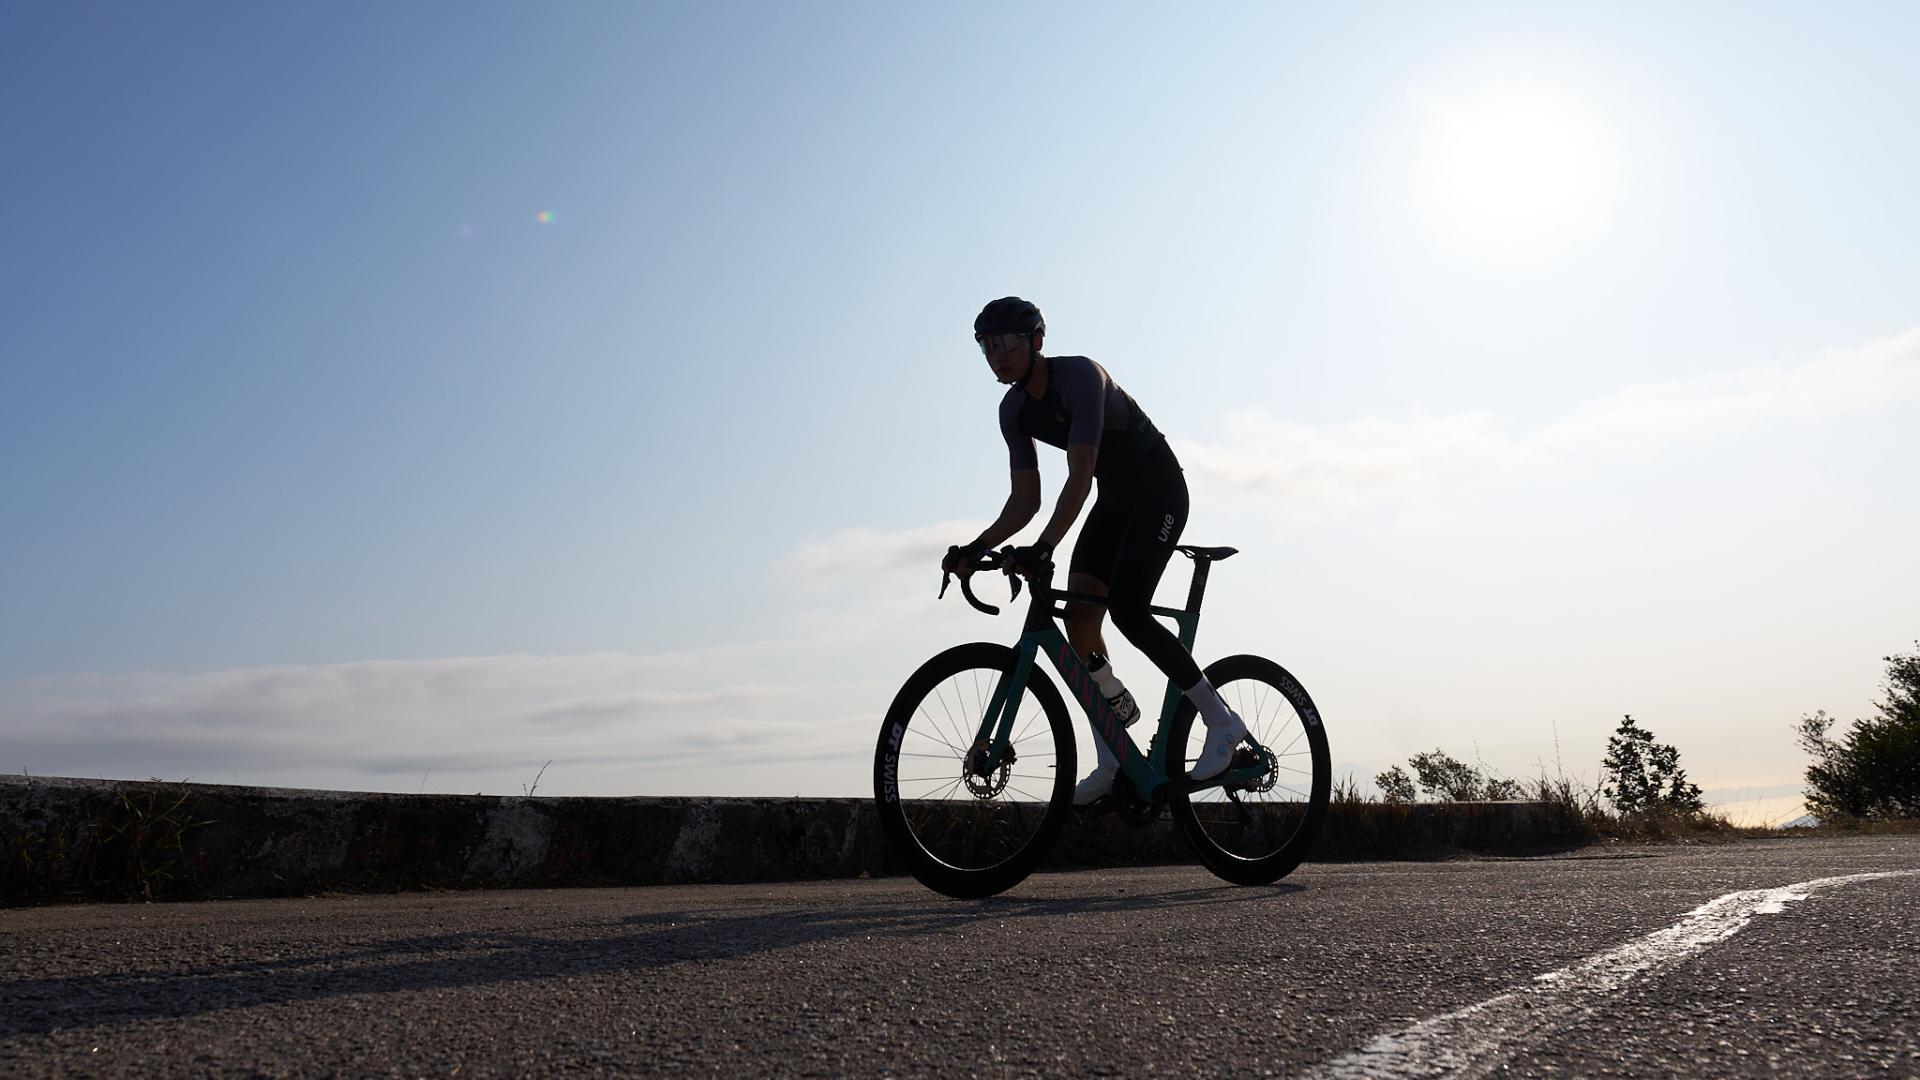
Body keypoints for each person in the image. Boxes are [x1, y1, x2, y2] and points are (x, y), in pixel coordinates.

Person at [942, 296, 1247, 805]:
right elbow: (1025, 500)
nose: (997, 354)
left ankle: (1222, 721)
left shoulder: (1081, 377)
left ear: (1037, 341)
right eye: (986, 346)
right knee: (1081, 617)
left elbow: (1079, 476)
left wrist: (1042, 548)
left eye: (1007, 342)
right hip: (1114, 500)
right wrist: (976, 548)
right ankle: (1113, 751)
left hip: (1158, 490)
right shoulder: (1013, 410)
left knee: (1127, 609)